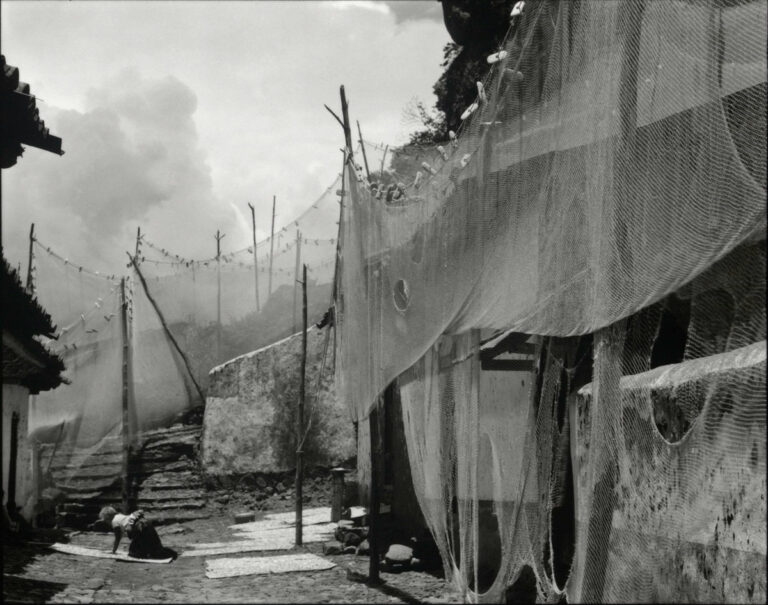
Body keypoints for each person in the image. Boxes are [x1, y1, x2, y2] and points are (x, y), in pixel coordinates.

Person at [97, 506, 176, 560]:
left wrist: (113, 551)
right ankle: (171, 553)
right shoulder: (120, 516)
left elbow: (118, 538)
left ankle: (154, 553)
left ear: (108, 518)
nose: (107, 523)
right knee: (154, 545)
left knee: (134, 553)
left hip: (140, 529)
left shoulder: (114, 521)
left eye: (105, 521)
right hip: (146, 524)